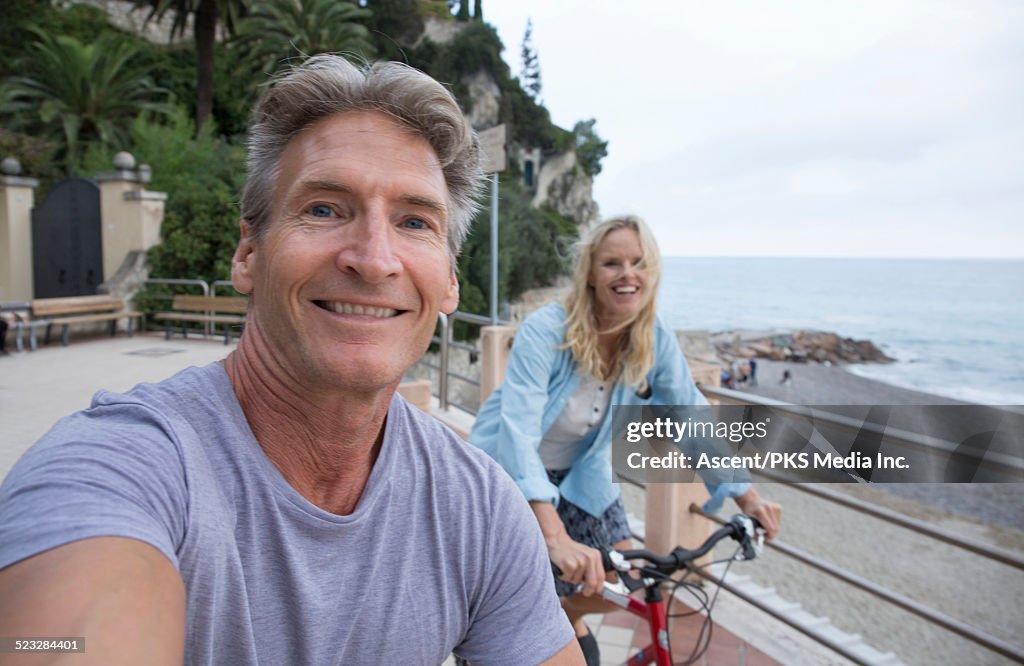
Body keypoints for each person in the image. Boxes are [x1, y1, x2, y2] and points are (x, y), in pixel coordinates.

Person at [0, 56, 582, 665]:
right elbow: (55, 641)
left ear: (451, 284)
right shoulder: (123, 466)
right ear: (249, 253)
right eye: (325, 209)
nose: (374, 259)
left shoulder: (479, 506)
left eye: (414, 222)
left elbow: (677, 430)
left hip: (591, 508)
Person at [469, 216, 782, 665]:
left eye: (638, 263)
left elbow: (689, 414)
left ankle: (558, 616)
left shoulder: (653, 338)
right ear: (591, 274)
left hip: (581, 474)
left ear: (652, 273)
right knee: (518, 582)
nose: (626, 274)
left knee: (626, 578)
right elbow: (517, 432)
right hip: (512, 469)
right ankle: (517, 634)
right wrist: (552, 533)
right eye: (612, 263)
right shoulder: (546, 330)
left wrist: (746, 497)